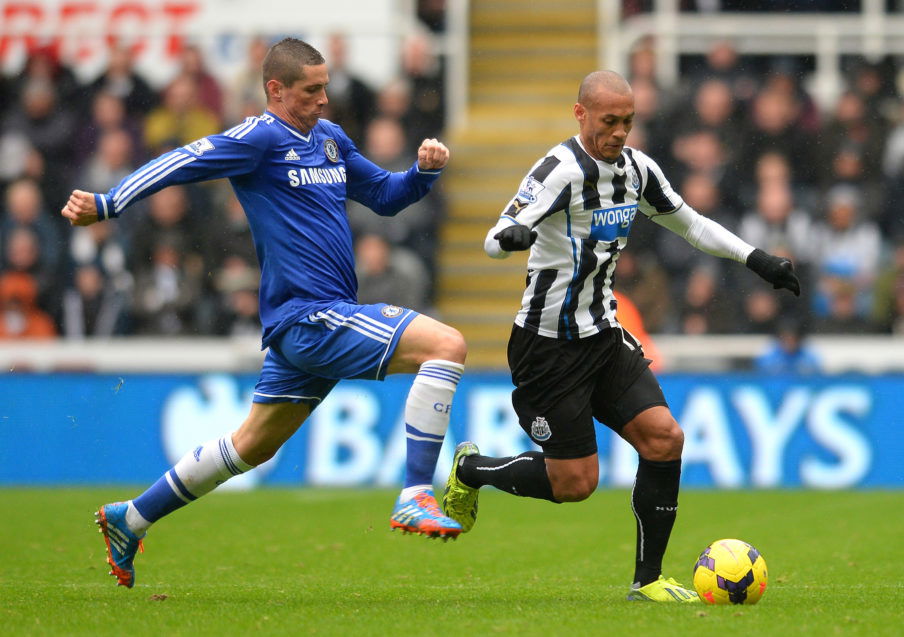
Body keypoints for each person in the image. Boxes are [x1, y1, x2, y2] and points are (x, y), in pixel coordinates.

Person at [61, 38, 465, 589]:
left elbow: (385, 196)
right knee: (446, 346)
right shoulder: (259, 137)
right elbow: (182, 162)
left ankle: (130, 518)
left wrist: (421, 173)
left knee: (251, 444)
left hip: (316, 318)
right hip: (310, 316)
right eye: (312, 90)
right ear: (276, 89)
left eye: (325, 86)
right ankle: (416, 492)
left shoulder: (329, 139)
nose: (325, 99)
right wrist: (109, 203)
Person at [441, 70, 800, 603]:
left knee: (665, 438)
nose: (619, 132)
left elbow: (692, 225)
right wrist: (510, 237)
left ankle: (647, 579)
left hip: (605, 335)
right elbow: (496, 237)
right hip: (547, 347)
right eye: (609, 121)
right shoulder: (558, 171)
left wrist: (758, 259)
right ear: (581, 114)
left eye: (628, 122)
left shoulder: (637, 170)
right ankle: (471, 469)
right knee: (576, 484)